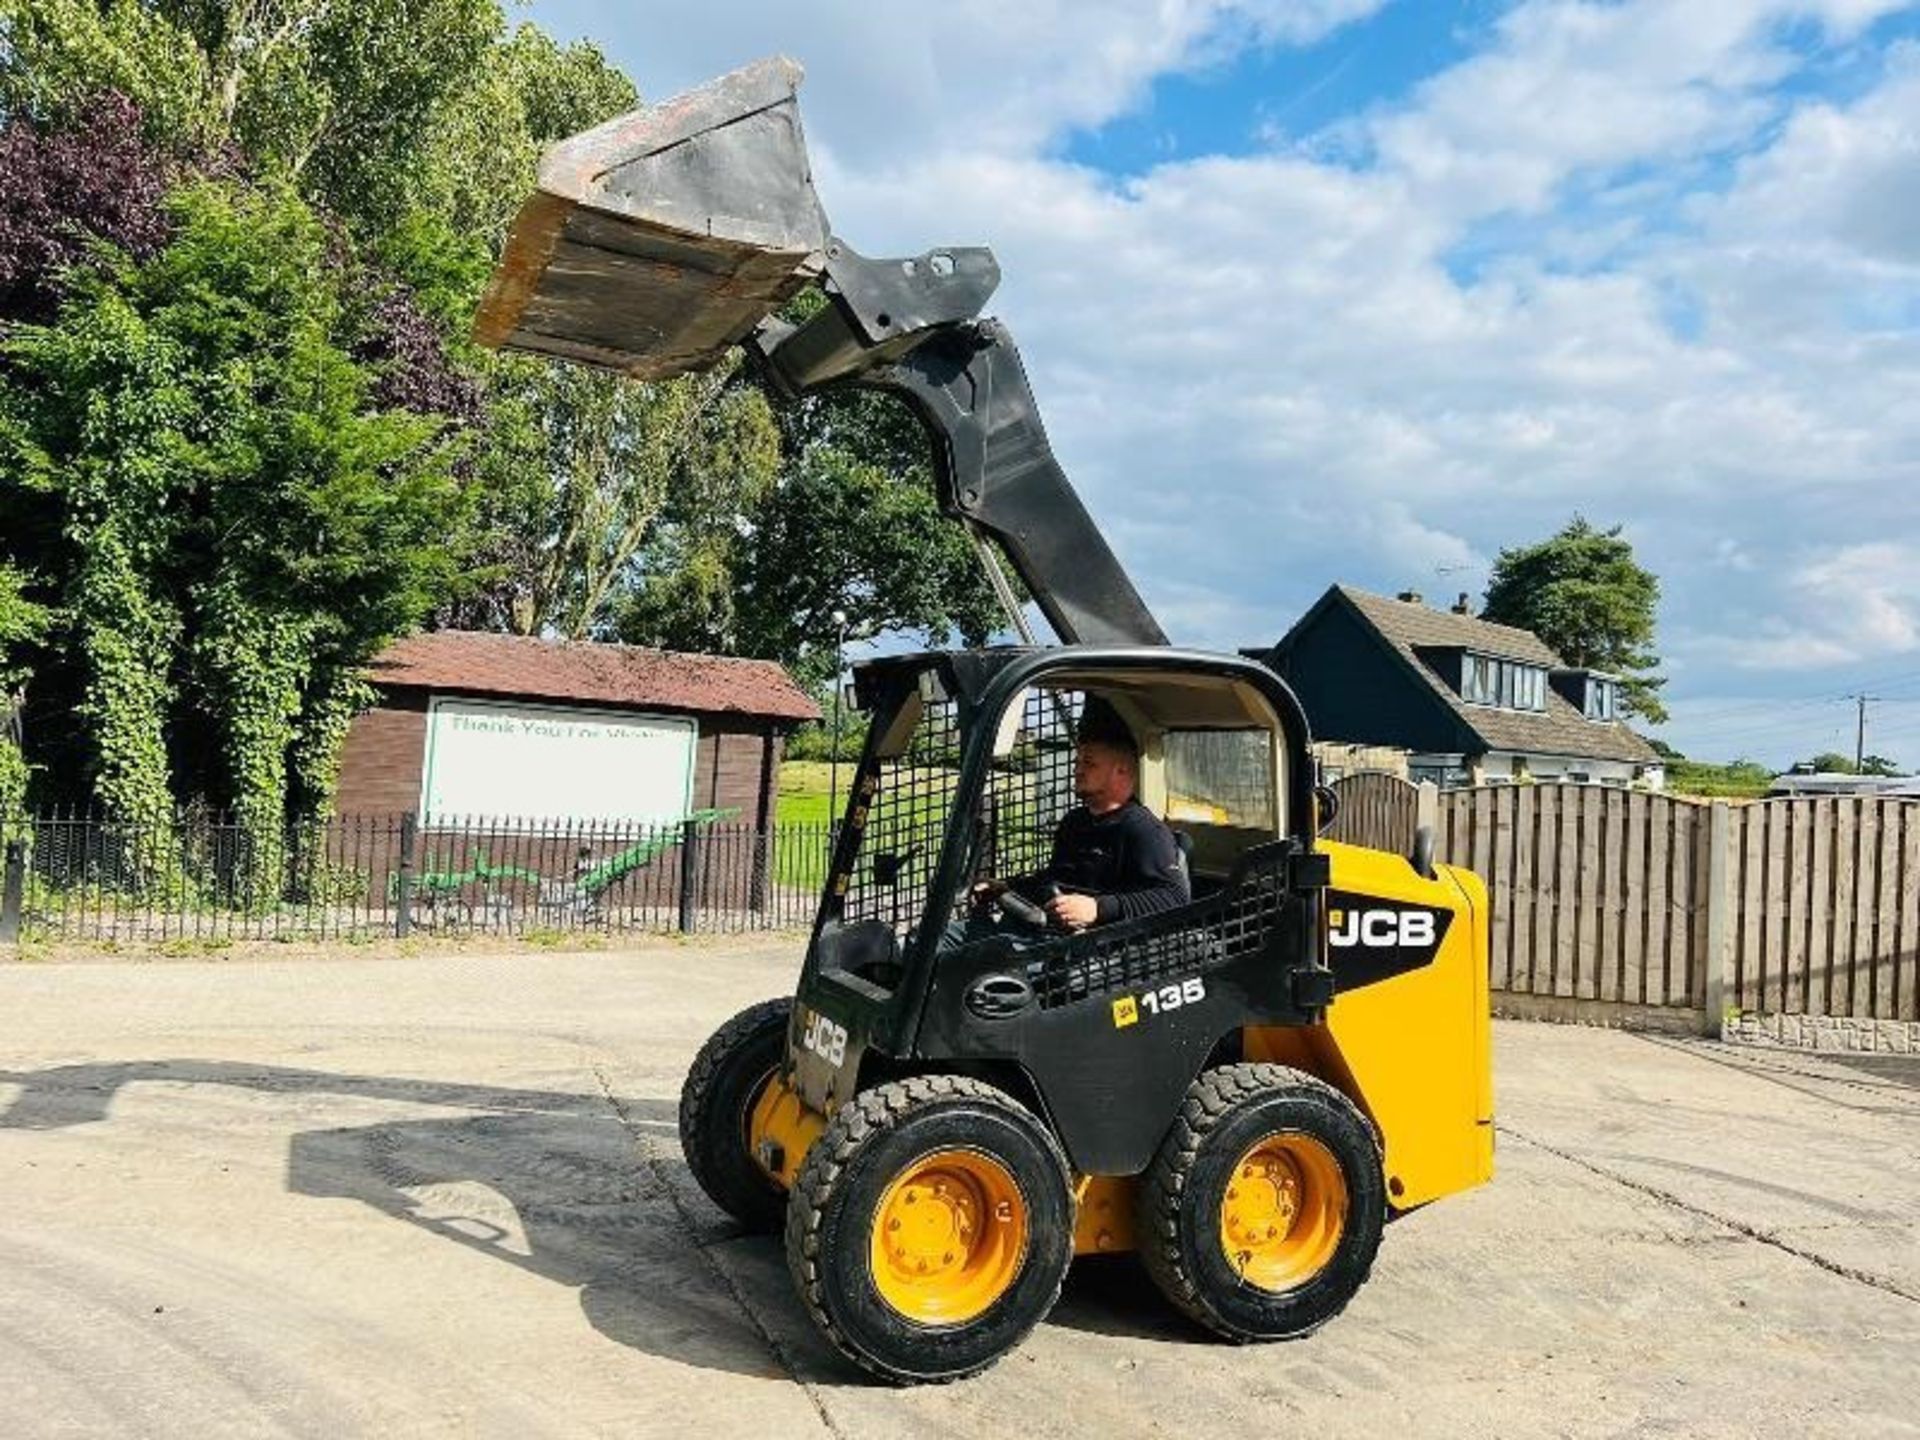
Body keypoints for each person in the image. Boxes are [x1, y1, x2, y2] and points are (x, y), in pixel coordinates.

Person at [948, 701, 1189, 950]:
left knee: (976, 961)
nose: (1078, 770)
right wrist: (1008, 888)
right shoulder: (1075, 823)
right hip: (1041, 932)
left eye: (1089, 764)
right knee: (934, 939)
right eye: (1077, 763)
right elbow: (1054, 881)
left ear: (1122, 771)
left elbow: (1175, 898)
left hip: (1089, 949)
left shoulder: (1143, 830)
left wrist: (1098, 908)